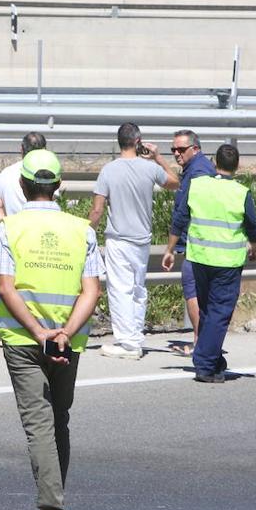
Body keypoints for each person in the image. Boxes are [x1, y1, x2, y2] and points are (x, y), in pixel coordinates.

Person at [0, 149, 102, 510]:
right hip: (67, 342)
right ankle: (54, 501)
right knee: (59, 420)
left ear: (21, 184)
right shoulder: (82, 230)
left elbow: (6, 286)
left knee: (39, 424)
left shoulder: (9, 229)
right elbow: (92, 290)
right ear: (59, 187)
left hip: (24, 339)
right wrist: (65, 332)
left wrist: (39, 332)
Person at [161, 143, 256, 383]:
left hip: (200, 258)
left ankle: (215, 361)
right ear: (237, 166)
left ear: (215, 163)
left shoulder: (198, 185)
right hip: (227, 262)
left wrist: (169, 249)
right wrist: (255, 248)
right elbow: (253, 226)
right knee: (220, 312)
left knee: (207, 311)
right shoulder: (240, 192)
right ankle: (205, 364)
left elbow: (180, 218)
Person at [88, 123, 180, 359]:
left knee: (120, 289)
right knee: (138, 289)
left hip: (118, 239)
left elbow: (97, 210)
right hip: (142, 239)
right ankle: (134, 336)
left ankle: (127, 343)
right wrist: (158, 157)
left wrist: (87, 232)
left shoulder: (108, 170)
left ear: (119, 142)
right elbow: (175, 182)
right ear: (138, 142)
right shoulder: (149, 168)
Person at [168, 129, 217, 356]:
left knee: (193, 291)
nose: (176, 154)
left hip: (196, 243)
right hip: (201, 241)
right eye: (173, 150)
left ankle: (200, 344)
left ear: (195, 149)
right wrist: (159, 159)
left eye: (181, 149)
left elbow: (184, 212)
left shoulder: (197, 173)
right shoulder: (198, 168)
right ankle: (203, 343)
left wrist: (170, 247)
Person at [0, 132, 50, 221]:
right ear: (45, 150)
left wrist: (6, 225)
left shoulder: (5, 174)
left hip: (14, 231)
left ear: (21, 149)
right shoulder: (47, 174)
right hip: (41, 230)